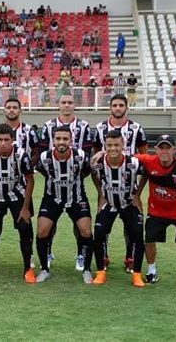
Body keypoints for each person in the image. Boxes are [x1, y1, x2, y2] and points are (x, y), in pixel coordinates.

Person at [93, 94, 147, 271]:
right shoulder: (100, 128)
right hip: (107, 181)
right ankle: (104, 257)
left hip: (129, 180)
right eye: (114, 105)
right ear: (110, 108)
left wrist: (138, 192)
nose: (117, 108)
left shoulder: (136, 128)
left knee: (131, 226)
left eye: (121, 105)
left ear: (126, 107)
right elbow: (94, 159)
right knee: (103, 226)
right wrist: (100, 192)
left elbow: (144, 156)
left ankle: (130, 259)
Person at [39, 94, 93, 270]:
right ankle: (47, 254)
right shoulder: (48, 126)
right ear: (58, 105)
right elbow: (40, 162)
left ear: (74, 105)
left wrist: (73, 177)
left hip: (75, 188)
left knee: (83, 228)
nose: (67, 105)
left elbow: (87, 164)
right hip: (52, 188)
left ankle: (81, 256)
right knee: (47, 226)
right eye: (63, 102)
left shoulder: (84, 127)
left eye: (70, 102)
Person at [35, 126, 94, 284]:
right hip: (52, 198)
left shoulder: (81, 156)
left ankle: (87, 269)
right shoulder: (44, 157)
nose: (61, 142)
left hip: (76, 198)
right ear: (53, 140)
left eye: (65, 139)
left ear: (71, 140)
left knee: (86, 231)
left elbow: (87, 171)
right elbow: (42, 172)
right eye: (58, 139)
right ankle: (44, 269)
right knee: (42, 231)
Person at [0, 124, 36, 283]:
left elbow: (30, 180)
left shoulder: (21, 155)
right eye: (0, 139)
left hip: (17, 195)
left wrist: (25, 208)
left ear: (13, 140)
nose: (3, 143)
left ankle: (28, 269)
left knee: (25, 228)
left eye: (6, 140)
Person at [135, 135, 176, 288]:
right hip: (156, 211)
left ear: (174, 150)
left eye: (168, 148)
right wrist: (102, 154)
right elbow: (126, 155)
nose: (164, 151)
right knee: (148, 239)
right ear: (156, 150)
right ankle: (151, 271)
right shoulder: (149, 161)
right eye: (161, 147)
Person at [90, 131, 145, 287]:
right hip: (110, 203)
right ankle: (100, 272)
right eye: (109, 145)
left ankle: (137, 274)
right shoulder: (99, 162)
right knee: (99, 234)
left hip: (129, 203)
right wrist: (101, 194)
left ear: (123, 145)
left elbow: (145, 174)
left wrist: (138, 194)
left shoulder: (133, 162)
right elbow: (93, 174)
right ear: (105, 146)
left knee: (138, 236)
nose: (113, 148)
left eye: (116, 145)